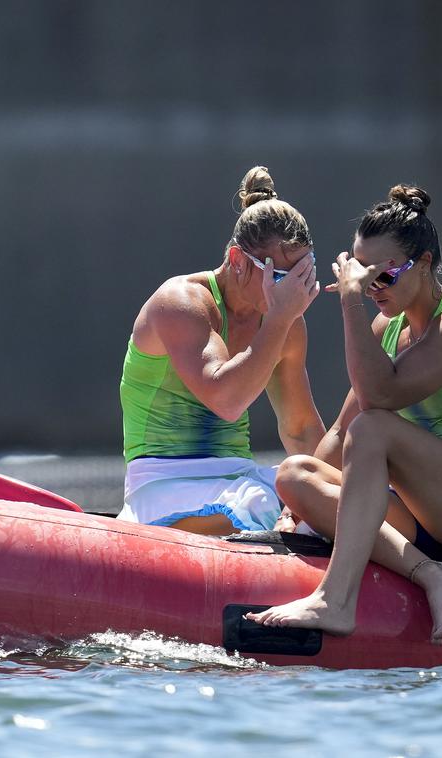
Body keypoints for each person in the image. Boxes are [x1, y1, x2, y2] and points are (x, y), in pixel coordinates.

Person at [247, 185, 442, 643]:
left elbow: (378, 400)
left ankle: (336, 601)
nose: (370, 288)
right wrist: (299, 509)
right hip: (430, 518)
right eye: (359, 274)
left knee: (374, 429)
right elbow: (339, 430)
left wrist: (348, 301)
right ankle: (432, 575)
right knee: (295, 474)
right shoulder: (386, 328)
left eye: (382, 276)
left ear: (425, 264)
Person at [116, 166, 325, 535]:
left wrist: (332, 492)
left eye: (302, 275)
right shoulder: (181, 303)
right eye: (281, 277)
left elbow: (302, 428)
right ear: (237, 260)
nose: (293, 290)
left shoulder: (286, 321)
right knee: (260, 502)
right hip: (163, 480)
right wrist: (278, 320)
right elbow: (226, 401)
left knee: (334, 491)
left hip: (238, 479)